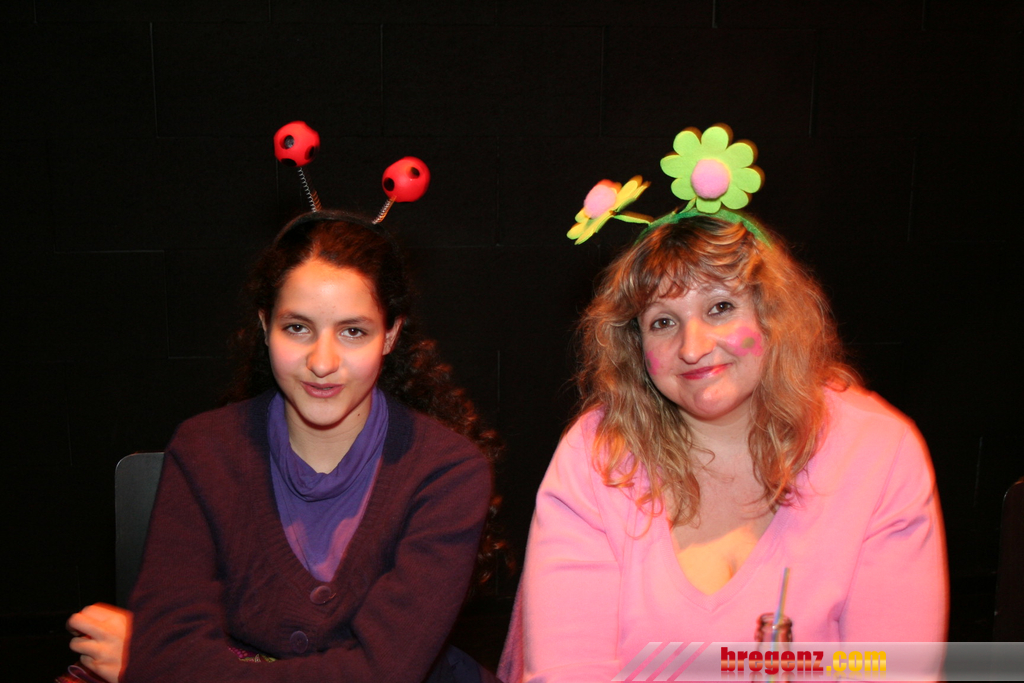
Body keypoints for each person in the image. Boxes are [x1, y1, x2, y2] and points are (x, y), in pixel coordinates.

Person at [499, 212, 948, 682]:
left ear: (773, 314)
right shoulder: (598, 455)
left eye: (720, 308)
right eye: (663, 321)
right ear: (635, 346)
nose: (692, 348)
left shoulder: (875, 452)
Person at [67, 210, 502, 683]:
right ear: (265, 324)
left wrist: (195, 667)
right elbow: (169, 647)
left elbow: (384, 672)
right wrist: (164, 661)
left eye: (353, 331)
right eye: (298, 328)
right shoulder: (205, 452)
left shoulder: (448, 473)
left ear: (391, 335)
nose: (322, 362)